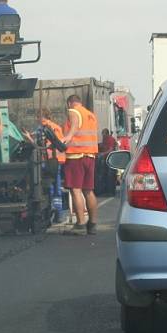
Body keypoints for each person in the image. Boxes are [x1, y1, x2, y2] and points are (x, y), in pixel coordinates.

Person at [61, 95, 99, 235]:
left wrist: (68, 137)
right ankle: (93, 225)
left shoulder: (73, 111)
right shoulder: (90, 115)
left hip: (76, 155)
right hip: (90, 156)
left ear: (69, 103)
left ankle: (80, 224)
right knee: (88, 190)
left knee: (75, 190)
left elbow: (75, 125)